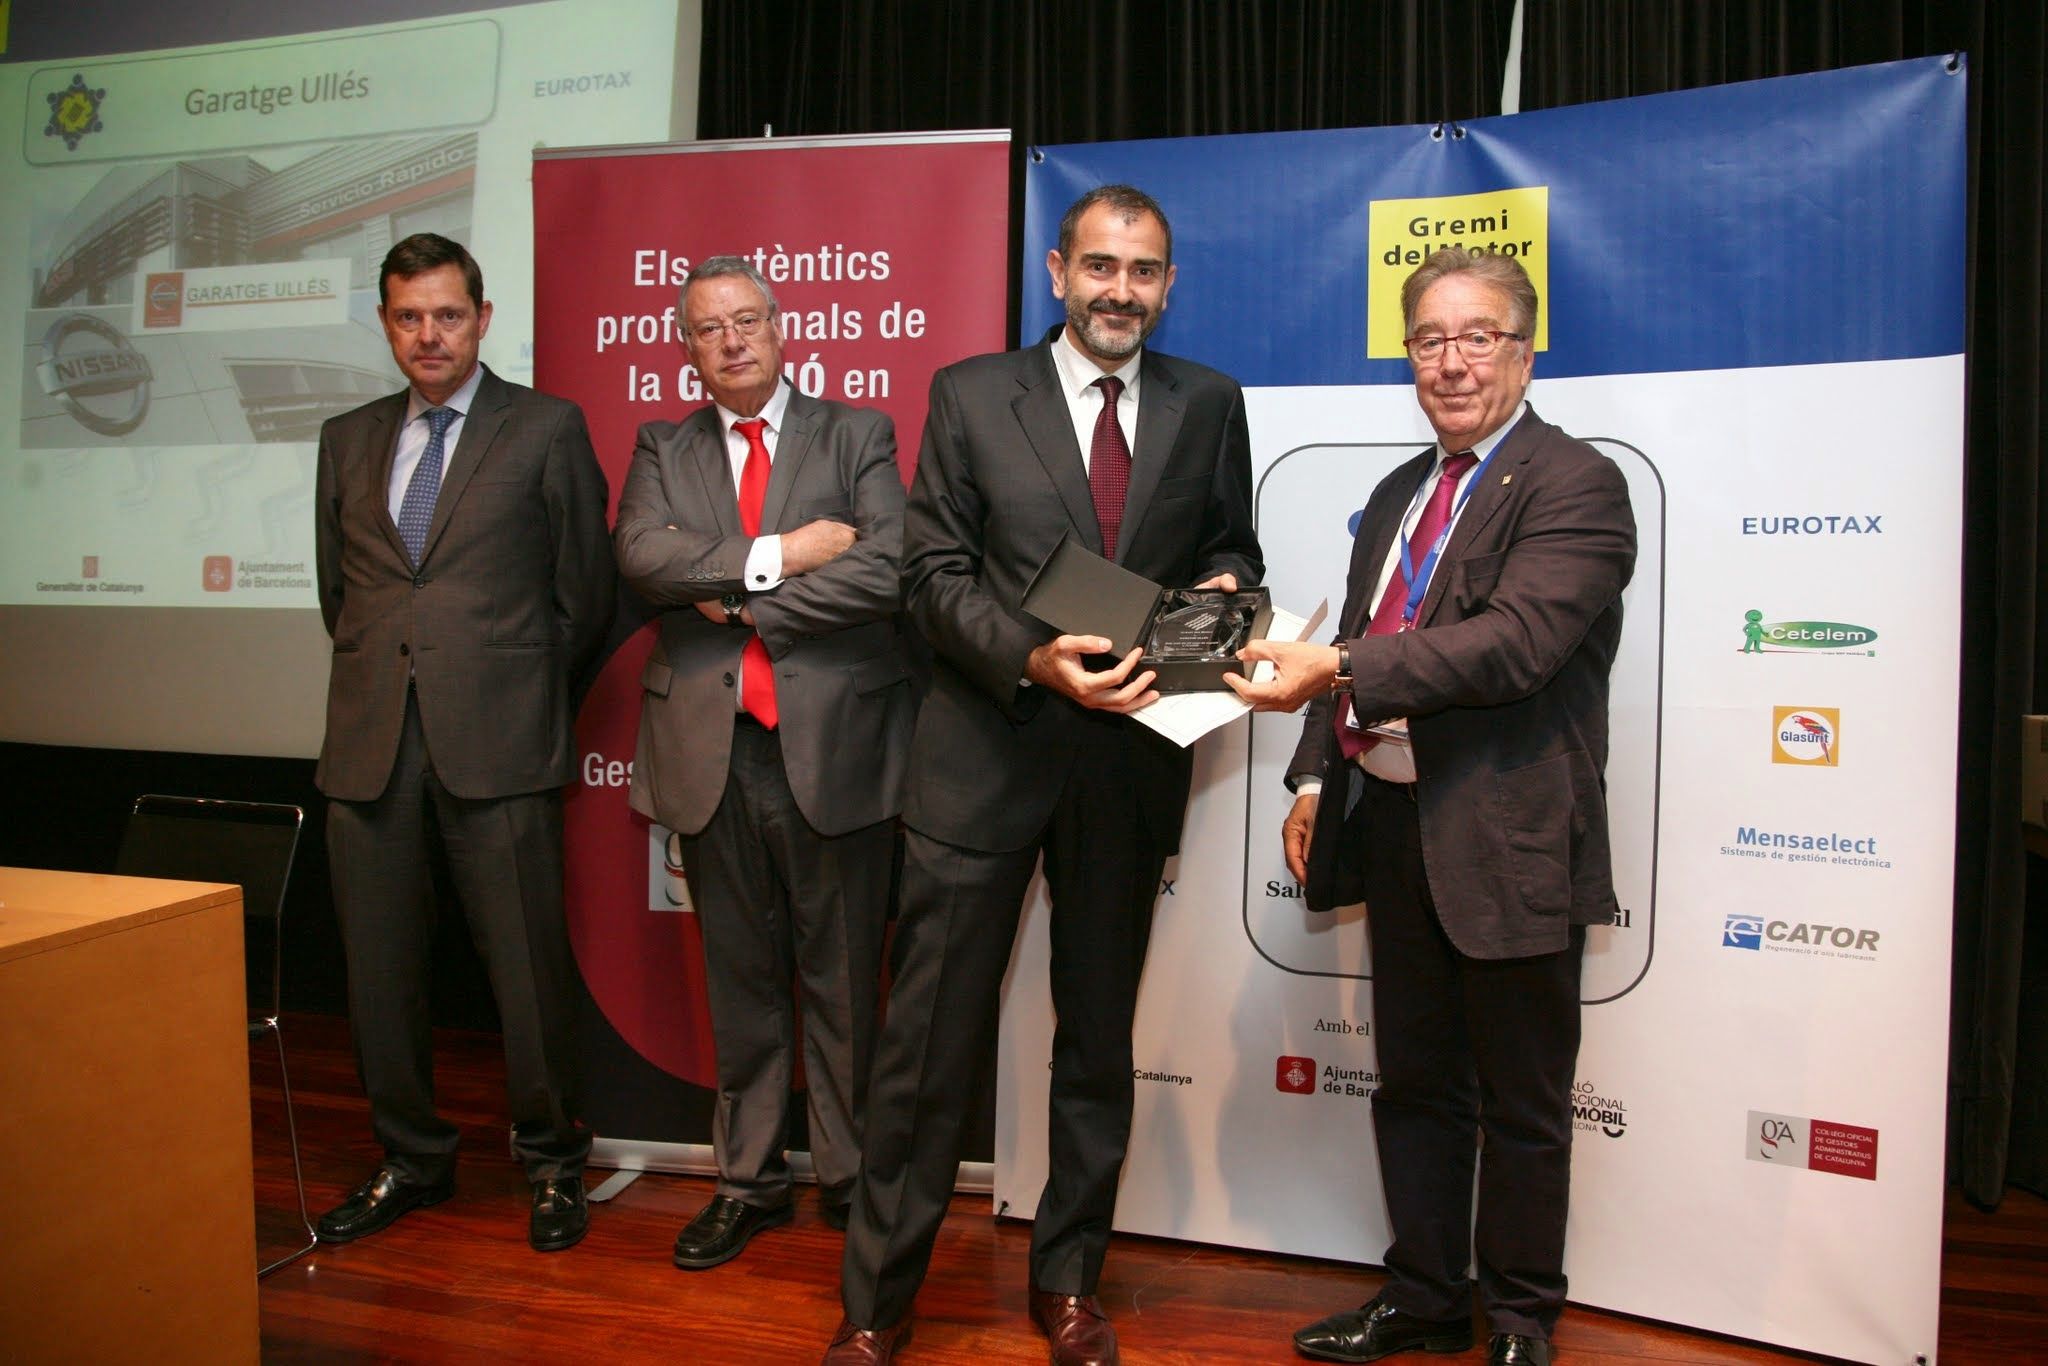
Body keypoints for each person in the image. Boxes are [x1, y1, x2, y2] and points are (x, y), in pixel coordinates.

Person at [824, 185, 1263, 1366]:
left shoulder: (1208, 403)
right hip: (983, 755)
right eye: (1101, 266)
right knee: (923, 1051)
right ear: (1059, 271)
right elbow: (929, 575)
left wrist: (1223, 594)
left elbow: (1232, 545)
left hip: (1126, 768)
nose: (1121, 289)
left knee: (1095, 1042)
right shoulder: (970, 394)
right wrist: (1032, 657)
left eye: (1145, 271)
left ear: (1168, 285)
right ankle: (874, 1303)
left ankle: (1068, 1282)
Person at [1226, 247, 1636, 1366]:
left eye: (1476, 336)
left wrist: (1338, 671)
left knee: (1521, 1102)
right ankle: (1420, 1293)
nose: (1449, 363)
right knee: (1412, 1084)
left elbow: (1511, 646)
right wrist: (1316, 772)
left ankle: (1515, 1319)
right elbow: (1357, 627)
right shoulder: (1403, 492)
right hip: (1396, 827)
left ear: (1523, 345)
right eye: (1427, 339)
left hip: (1505, 839)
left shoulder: (1574, 484)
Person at [313, 232, 613, 1253]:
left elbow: (585, 594)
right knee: (380, 973)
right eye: (408, 316)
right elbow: (340, 596)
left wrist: (507, 686)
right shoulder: (345, 437)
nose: (428, 334)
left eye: (447, 314)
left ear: (483, 319)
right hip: (369, 748)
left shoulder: (544, 427)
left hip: (500, 741)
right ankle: (410, 1158)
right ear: (387, 324)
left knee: (526, 971)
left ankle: (553, 1163)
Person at [613, 256, 915, 1269]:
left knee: (839, 983)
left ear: (782, 328)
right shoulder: (663, 444)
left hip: (831, 751)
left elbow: (886, 566)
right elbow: (646, 560)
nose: (732, 339)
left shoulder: (854, 432)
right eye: (709, 328)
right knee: (738, 982)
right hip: (712, 755)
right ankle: (748, 1182)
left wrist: (736, 596)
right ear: (688, 349)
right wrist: (780, 556)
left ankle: (849, 1176)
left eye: (747, 320)